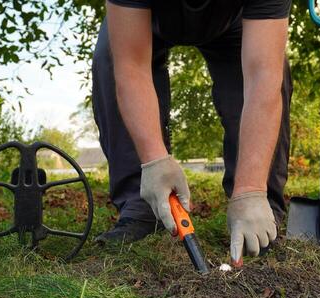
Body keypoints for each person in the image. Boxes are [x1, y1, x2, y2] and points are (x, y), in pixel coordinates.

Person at [92, 0, 293, 265]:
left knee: (276, 69)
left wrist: (251, 189)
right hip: (146, 18)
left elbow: (262, 77)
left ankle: (260, 212)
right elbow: (131, 66)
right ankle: (142, 206)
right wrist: (154, 161)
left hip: (235, 22)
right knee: (110, 57)